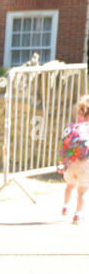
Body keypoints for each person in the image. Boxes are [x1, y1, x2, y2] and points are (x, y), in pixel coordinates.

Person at [58, 95, 89, 225]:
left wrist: (62, 163)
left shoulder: (72, 128)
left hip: (71, 164)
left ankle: (65, 206)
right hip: (85, 165)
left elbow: (63, 146)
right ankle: (77, 215)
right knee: (82, 192)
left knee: (69, 186)